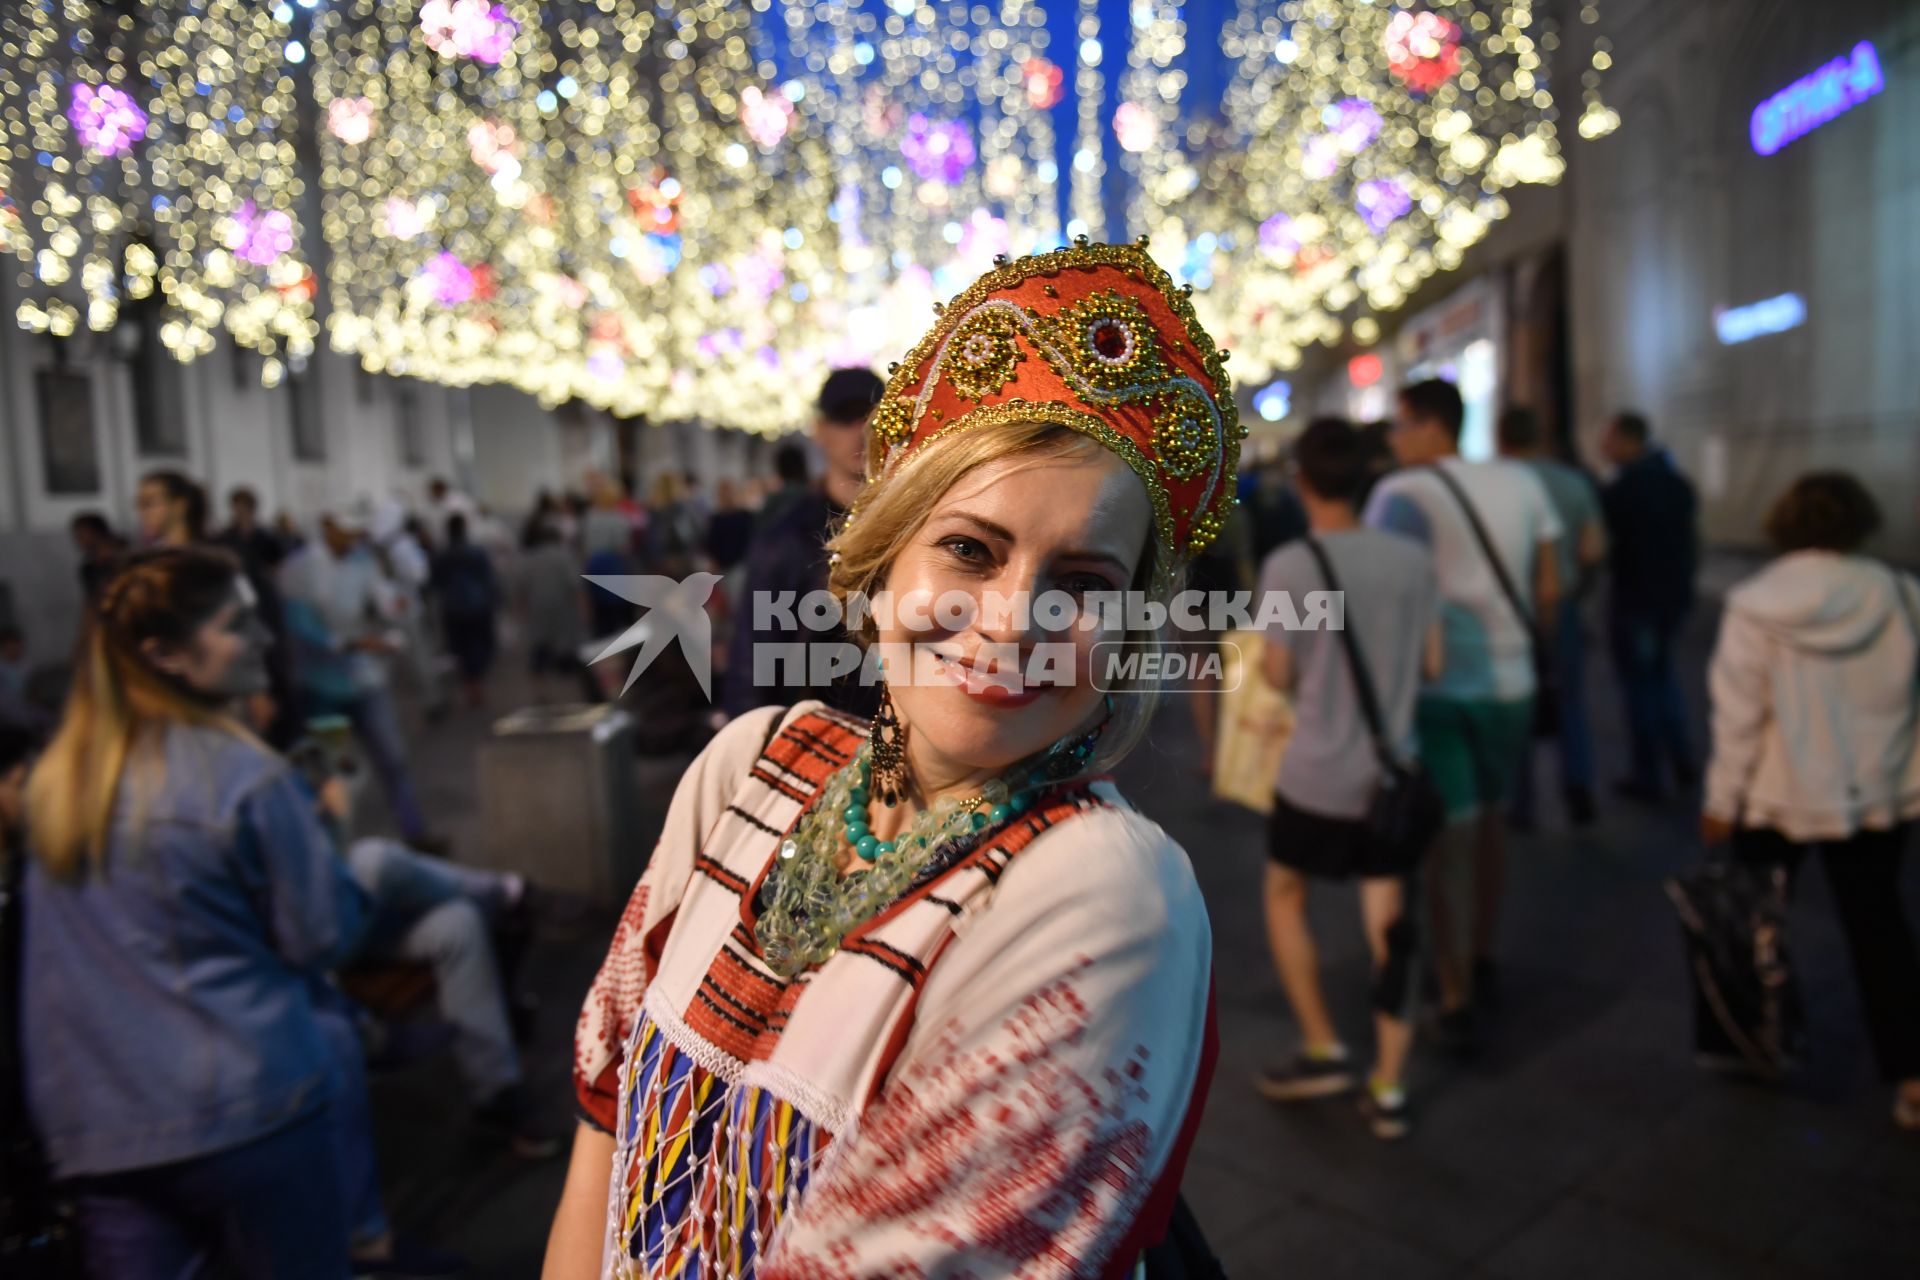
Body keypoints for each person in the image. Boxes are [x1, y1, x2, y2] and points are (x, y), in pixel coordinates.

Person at [544, 242, 1224, 1279]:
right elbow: (604, 1116)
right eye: (970, 548)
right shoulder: (750, 765)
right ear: (882, 558)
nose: (1012, 618)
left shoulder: (1107, 889)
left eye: (1081, 578)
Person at [18, 547, 366, 1276]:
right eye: (238, 625)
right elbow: (320, 936)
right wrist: (332, 825)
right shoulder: (245, 781)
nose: (265, 638)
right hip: (249, 1108)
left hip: (101, 1129)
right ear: (167, 655)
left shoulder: (58, 786)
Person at [1700, 473, 1920, 1131]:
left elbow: (1738, 716)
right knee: (1880, 929)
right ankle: (1912, 1076)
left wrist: (1720, 799)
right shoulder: (1903, 596)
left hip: (1775, 792)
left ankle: (1754, 1044)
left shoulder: (1754, 605)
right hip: (1877, 793)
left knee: (1755, 922)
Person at [1253, 418, 1441, 1139]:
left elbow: (1276, 674)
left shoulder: (1289, 566)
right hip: (1391, 777)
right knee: (1389, 917)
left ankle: (1324, 1046)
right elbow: (1432, 666)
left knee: (1285, 892)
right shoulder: (1412, 560)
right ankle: (1390, 1085)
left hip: (1315, 775)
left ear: (1301, 480)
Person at [1364, 379, 1561, 1043]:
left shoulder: (1400, 495)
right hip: (1514, 682)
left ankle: (1454, 991)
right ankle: (1481, 951)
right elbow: (1551, 584)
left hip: (1441, 689)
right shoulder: (1521, 482)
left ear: (1427, 425)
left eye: (1399, 425)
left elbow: (1381, 589)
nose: (1393, 440)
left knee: (1451, 838)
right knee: (1494, 823)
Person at [722, 367, 886, 720]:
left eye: (871, 415)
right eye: (845, 418)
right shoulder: (789, 535)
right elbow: (755, 651)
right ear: (820, 430)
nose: (860, 430)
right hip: (816, 730)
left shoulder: (914, 523)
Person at [279, 508, 434, 846]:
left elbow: (382, 597)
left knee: (393, 759)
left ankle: (415, 834)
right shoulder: (299, 569)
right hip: (320, 684)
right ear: (326, 525)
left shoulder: (363, 561)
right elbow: (300, 628)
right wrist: (351, 642)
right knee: (326, 772)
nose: (352, 539)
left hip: (364, 678)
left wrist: (397, 604)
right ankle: (328, 849)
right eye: (345, 531)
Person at [1498, 407, 1607, 828]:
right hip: (1563, 607)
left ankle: (1520, 802)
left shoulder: (1501, 486)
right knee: (1571, 700)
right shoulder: (1574, 483)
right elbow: (1593, 550)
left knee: (1521, 699)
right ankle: (1577, 786)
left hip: (1511, 610)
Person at [1601, 411, 1699, 802]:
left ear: (1628, 439)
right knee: (1662, 678)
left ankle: (1650, 774)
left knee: (1642, 686)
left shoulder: (1625, 489)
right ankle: (1680, 760)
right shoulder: (1676, 483)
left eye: (1609, 438)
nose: (1604, 447)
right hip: (1670, 599)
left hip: (1637, 601)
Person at [431, 513, 500, 707]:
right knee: (482, 644)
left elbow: (436, 583)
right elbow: (488, 578)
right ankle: (476, 680)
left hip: (453, 607)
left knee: (461, 647)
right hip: (479, 605)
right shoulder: (476, 552)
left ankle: (470, 682)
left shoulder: (442, 555)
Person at [216, 485, 287, 575]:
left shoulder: (266, 538)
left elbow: (277, 564)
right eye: (237, 509)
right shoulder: (226, 538)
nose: (239, 514)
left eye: (243, 510)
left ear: (252, 509)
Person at [134, 469, 208, 548]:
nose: (141, 514)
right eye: (139, 505)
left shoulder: (208, 555)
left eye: (148, 503)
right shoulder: (149, 555)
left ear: (179, 505)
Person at [69, 512, 128, 602]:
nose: (77, 539)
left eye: (81, 533)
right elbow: (92, 602)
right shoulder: (89, 568)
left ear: (97, 532)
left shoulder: (126, 558)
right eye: (76, 535)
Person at [703, 477, 755, 571]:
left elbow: (751, 541)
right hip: (721, 566)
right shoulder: (717, 518)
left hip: (741, 565)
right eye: (723, 493)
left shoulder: (746, 516)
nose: (726, 496)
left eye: (729, 492)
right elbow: (711, 543)